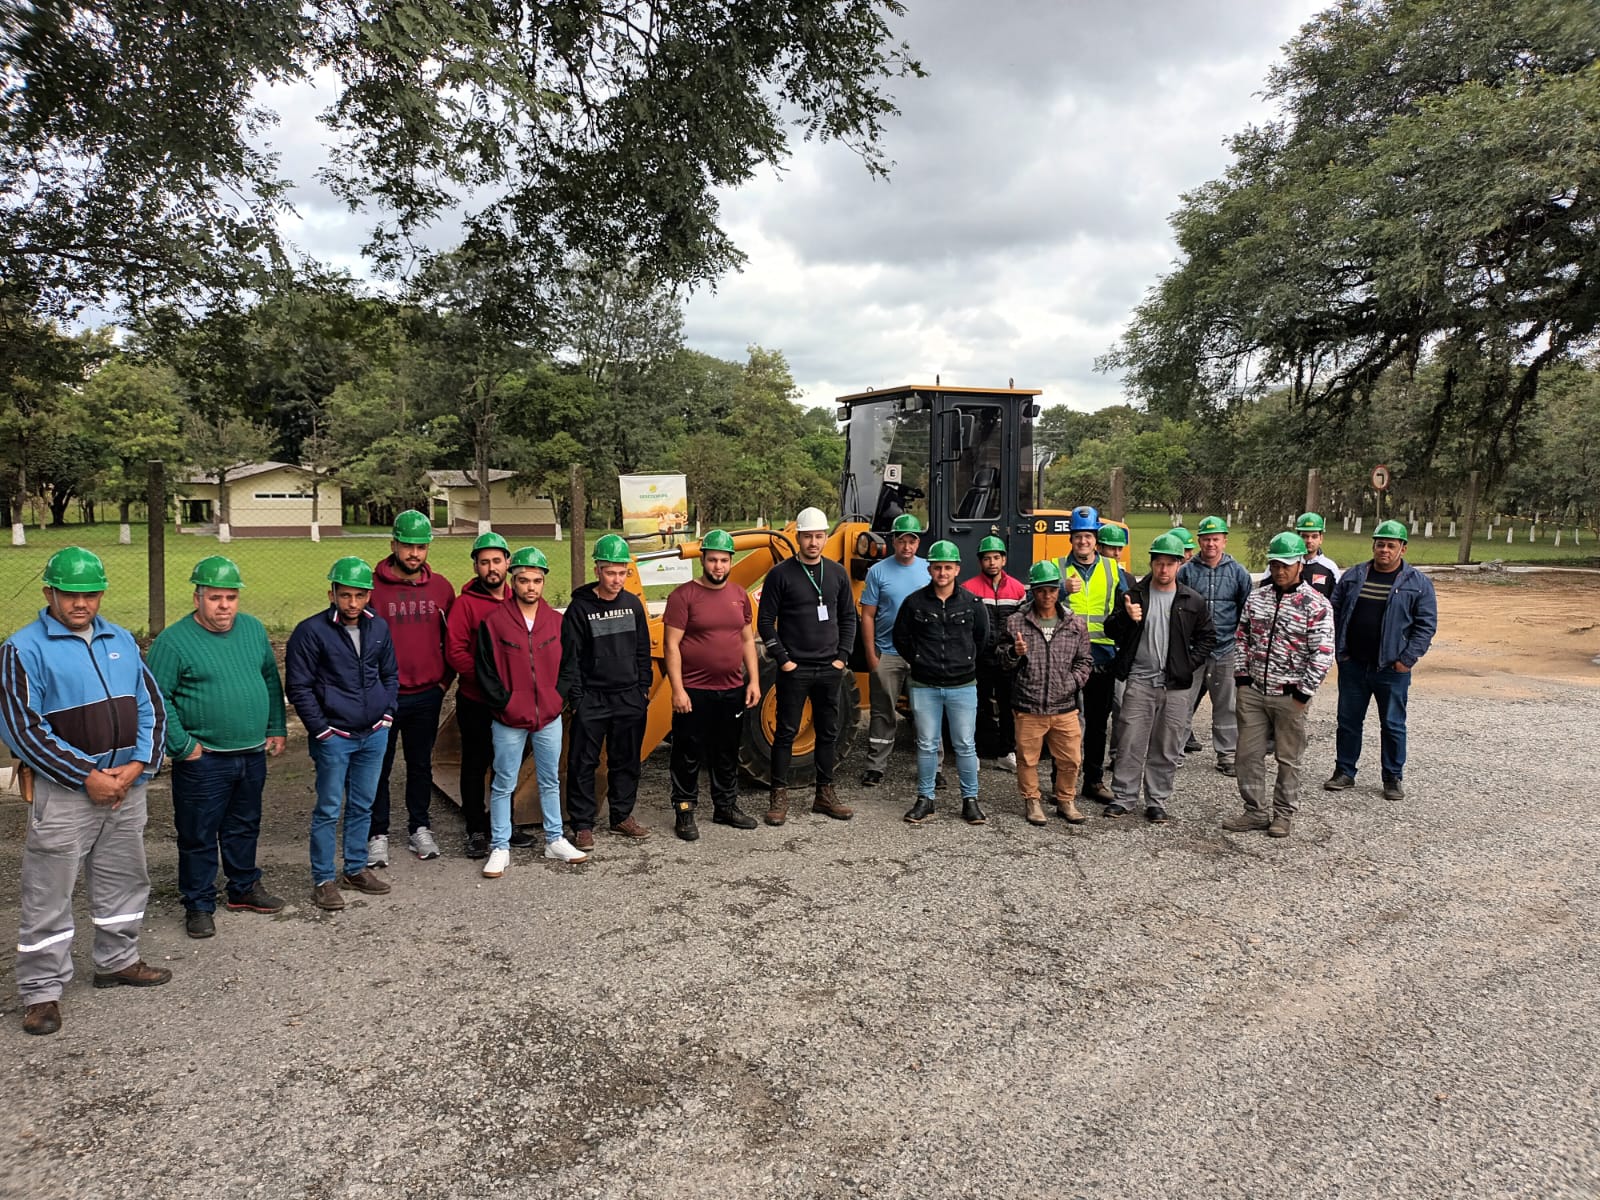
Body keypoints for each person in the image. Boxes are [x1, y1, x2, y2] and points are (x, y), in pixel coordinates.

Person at [1, 548, 171, 1036]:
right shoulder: (22, 649)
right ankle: (41, 992)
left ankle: (118, 960)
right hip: (67, 794)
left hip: (126, 787)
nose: (81, 603)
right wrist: (86, 776)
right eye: (71, 594)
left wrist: (137, 765)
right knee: (48, 893)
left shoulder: (120, 639)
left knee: (124, 879)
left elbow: (151, 708)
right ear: (49, 592)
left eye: (91, 593)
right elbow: (22, 728)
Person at [146, 556, 287, 940]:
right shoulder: (173, 642)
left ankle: (243, 888)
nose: (224, 605)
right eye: (214, 597)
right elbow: (156, 697)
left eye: (230, 597)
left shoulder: (253, 630)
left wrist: (275, 726)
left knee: (244, 825)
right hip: (204, 757)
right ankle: (198, 902)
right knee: (198, 832)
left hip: (251, 751)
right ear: (197, 598)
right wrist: (182, 744)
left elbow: (270, 681)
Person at [285, 557, 399, 911]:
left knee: (363, 805)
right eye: (345, 595)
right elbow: (299, 686)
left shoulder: (378, 627)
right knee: (329, 807)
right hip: (334, 735)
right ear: (331, 593)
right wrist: (321, 730)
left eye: (359, 595)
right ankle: (323, 879)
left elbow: (391, 674)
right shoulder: (311, 632)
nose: (352, 603)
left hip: (373, 732)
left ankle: (354, 868)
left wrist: (387, 714)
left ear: (369, 595)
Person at [476, 547, 588, 875]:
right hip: (509, 719)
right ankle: (500, 845)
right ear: (513, 580)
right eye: (523, 580)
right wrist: (506, 704)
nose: (530, 587)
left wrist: (556, 699)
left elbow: (570, 666)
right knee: (503, 781)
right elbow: (485, 671)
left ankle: (554, 839)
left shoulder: (557, 621)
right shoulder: (494, 623)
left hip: (548, 716)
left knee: (550, 778)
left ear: (543, 582)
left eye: (537, 581)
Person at [1220, 533, 1335, 839]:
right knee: (1247, 755)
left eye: (1285, 565)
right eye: (1274, 564)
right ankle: (1255, 811)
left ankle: (1283, 814)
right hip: (1254, 692)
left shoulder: (1316, 603)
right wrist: (1242, 679)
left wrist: (1303, 693)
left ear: (1299, 564)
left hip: (1290, 696)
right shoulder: (1257, 598)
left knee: (1288, 759)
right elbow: (1242, 638)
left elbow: (1322, 653)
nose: (1279, 571)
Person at [1103, 532, 1215, 824]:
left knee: (1167, 745)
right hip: (1139, 681)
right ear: (1151, 563)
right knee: (1130, 741)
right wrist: (1126, 617)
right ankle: (1123, 797)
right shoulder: (1133, 595)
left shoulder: (1192, 600)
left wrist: (1187, 664)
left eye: (1169, 564)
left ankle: (1156, 800)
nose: (1163, 569)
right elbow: (1111, 630)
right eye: (1158, 563)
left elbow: (1207, 637)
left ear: (1179, 564)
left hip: (1175, 686)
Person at [756, 506, 857, 826]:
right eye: (807, 536)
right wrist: (783, 660)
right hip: (794, 669)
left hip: (830, 668)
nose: (813, 542)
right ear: (797, 537)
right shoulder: (780, 574)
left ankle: (824, 794)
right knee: (785, 732)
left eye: (818, 536)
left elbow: (848, 617)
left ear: (825, 537)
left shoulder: (837, 573)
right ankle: (779, 795)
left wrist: (842, 656)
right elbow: (765, 621)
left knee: (828, 732)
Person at [1324, 520, 1437, 802]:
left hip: (1391, 669)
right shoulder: (1353, 577)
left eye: (1390, 545)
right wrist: (1342, 652)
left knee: (1393, 724)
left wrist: (1406, 659)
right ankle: (1344, 771)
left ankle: (1392, 777)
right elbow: (1334, 613)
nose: (1384, 550)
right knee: (1348, 721)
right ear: (1373, 545)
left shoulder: (1417, 583)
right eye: (1380, 544)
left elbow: (1425, 625)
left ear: (1403, 548)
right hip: (1354, 665)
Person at [663, 529, 762, 840]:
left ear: (731, 561)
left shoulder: (739, 595)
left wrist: (754, 681)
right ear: (702, 560)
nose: (718, 566)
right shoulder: (683, 597)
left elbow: (748, 640)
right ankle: (684, 810)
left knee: (727, 751)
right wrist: (677, 690)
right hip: (693, 691)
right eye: (712, 560)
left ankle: (725, 806)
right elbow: (671, 646)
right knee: (687, 752)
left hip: (731, 689)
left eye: (723, 560)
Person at [368, 509, 455, 865]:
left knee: (420, 764)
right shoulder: (372, 589)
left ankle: (420, 826)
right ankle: (377, 833)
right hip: (383, 698)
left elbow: (455, 641)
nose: (414, 553)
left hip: (426, 694)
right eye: (407, 546)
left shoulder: (441, 589)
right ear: (393, 544)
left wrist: (442, 681)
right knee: (379, 766)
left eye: (421, 546)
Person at [559, 534, 654, 847]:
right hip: (593, 699)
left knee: (625, 760)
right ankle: (583, 823)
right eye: (610, 572)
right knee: (582, 763)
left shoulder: (633, 605)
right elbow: (570, 658)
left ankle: (621, 816)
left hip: (629, 697)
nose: (616, 579)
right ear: (597, 570)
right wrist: (578, 700)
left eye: (622, 572)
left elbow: (643, 650)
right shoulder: (579, 609)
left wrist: (643, 689)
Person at [894, 541, 990, 825]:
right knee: (926, 744)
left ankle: (970, 801)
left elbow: (982, 639)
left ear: (957, 569)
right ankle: (925, 799)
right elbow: (901, 638)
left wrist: (966, 660)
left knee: (964, 744)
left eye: (948, 567)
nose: (942, 573)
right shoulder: (914, 603)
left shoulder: (972, 604)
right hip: (925, 684)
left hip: (962, 685)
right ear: (930, 569)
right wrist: (920, 659)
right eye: (937, 567)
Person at [997, 561, 1094, 826]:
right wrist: (1013, 654)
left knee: (1071, 759)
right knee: (1027, 759)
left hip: (1064, 706)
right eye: (1041, 590)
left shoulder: (1075, 623)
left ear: (1058, 590)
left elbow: (1085, 661)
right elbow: (1001, 659)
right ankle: (1032, 800)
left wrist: (1071, 683)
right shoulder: (1017, 621)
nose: (1047, 595)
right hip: (1029, 704)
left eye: (1052, 589)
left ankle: (1065, 800)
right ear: (1033, 591)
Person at [443, 531, 512, 859]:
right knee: (475, 763)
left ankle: (503, 826)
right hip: (476, 700)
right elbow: (455, 651)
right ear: (476, 566)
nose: (491, 568)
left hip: (512, 702)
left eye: (496, 561)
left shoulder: (518, 597)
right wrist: (487, 680)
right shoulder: (465, 604)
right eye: (484, 562)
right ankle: (475, 828)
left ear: (507, 563)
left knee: (507, 764)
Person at [1057, 505, 1128, 803]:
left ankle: (1094, 780)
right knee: (1062, 725)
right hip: (1064, 660)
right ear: (1071, 539)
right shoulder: (1057, 566)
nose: (1083, 542)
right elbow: (1034, 598)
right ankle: (1062, 784)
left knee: (1098, 724)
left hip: (1102, 658)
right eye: (1078, 536)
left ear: (1096, 539)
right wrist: (1061, 589)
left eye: (1088, 536)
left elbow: (1125, 607)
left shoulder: (1113, 570)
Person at [1178, 515, 1254, 777]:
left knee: (1226, 705)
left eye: (1215, 539)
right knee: (1182, 701)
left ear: (1224, 541)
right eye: (1206, 539)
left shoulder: (1238, 572)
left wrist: (1242, 645)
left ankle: (1227, 755)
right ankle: (1174, 751)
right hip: (1193, 649)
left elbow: (1247, 610)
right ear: (1199, 541)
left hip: (1225, 648)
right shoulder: (1186, 571)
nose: (1210, 544)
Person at [858, 513, 928, 787]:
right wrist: (871, 654)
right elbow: (867, 615)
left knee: (926, 712)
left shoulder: (929, 569)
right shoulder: (878, 571)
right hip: (887, 653)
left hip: (922, 655)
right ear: (894, 541)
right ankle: (876, 765)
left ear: (917, 543)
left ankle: (932, 767)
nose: (907, 547)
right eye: (902, 541)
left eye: (912, 541)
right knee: (882, 711)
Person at [962, 535, 1027, 770]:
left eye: (996, 558)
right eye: (987, 558)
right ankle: (975, 752)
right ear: (980, 561)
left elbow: (1024, 624)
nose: (992, 562)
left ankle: (1006, 752)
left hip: (1008, 658)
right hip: (979, 658)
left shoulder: (1018, 589)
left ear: (1004, 560)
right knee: (976, 706)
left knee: (1009, 706)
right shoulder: (968, 588)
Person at [1294, 512, 1341, 599]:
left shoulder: (1330, 567)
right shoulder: (1285, 564)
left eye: (1314, 536)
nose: (1309, 541)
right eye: (1304, 536)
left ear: (1321, 539)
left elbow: (1337, 599)